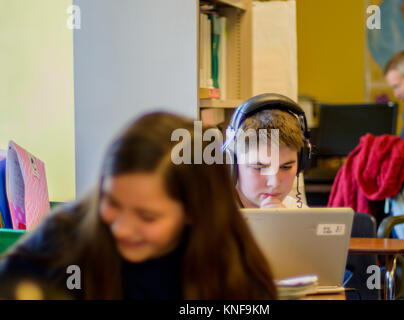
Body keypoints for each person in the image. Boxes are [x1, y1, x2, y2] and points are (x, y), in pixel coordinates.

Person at [0, 112, 277, 300]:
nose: (121, 228)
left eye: (147, 216)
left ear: (195, 212)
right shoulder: (61, 240)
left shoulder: (235, 274)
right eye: (112, 203)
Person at [223, 93, 312, 209]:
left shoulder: (300, 215)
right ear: (232, 163)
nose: (274, 183)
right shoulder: (206, 219)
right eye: (259, 167)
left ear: (300, 163)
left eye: (286, 167)